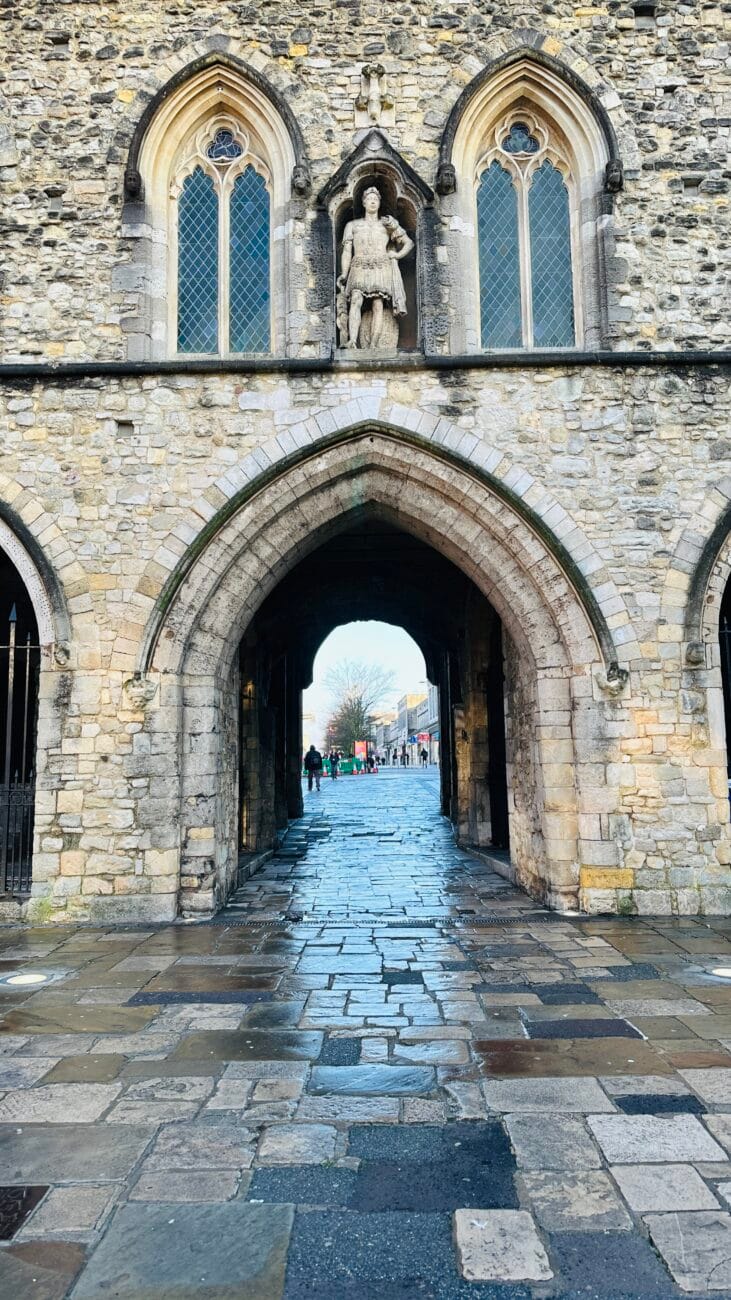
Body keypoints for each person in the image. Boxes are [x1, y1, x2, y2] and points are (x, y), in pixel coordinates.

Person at [338, 186, 414, 350]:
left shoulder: (387, 224)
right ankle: (352, 341)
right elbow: (346, 251)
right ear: (364, 202)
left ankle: (373, 345)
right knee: (356, 299)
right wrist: (344, 273)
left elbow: (408, 243)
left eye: (376, 199)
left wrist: (396, 255)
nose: (373, 202)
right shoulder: (352, 225)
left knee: (378, 304)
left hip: (381, 266)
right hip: (358, 265)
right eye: (369, 199)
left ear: (379, 203)